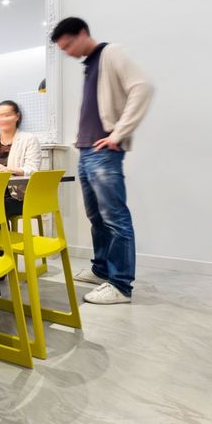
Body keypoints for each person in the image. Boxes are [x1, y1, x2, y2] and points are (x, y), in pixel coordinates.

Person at [51, 17, 153, 305]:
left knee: (115, 218)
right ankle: (102, 270)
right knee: (96, 217)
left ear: (83, 33)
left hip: (104, 153)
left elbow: (143, 87)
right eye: (63, 49)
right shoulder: (90, 65)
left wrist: (118, 134)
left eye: (69, 45)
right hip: (87, 151)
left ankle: (120, 285)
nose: (68, 52)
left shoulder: (111, 53)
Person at [0, 100, 42, 218]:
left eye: (7, 115)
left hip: (19, 197)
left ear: (17, 116)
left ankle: (0, 231)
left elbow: (32, 169)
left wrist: (7, 169)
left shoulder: (29, 139)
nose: (2, 119)